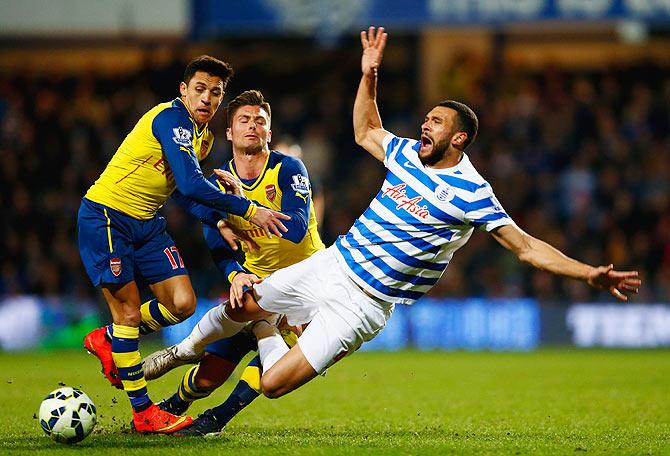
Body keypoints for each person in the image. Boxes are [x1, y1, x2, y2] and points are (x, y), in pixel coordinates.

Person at [143, 27, 641, 402]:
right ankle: (177, 353)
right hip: (332, 264)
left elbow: (527, 247)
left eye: (436, 122)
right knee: (242, 303)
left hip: (364, 305)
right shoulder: (404, 153)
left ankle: (265, 330)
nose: (425, 125)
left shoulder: (472, 191)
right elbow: (365, 129)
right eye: (426, 118)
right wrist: (369, 73)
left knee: (271, 384)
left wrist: (589, 274)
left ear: (459, 138)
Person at [77, 56, 290, 434]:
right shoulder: (170, 119)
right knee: (127, 314)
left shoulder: (203, 138)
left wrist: (218, 219)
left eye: (216, 92)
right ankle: (144, 412)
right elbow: (193, 186)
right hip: (108, 216)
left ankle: (107, 340)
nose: (207, 99)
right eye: (200, 90)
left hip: (147, 224)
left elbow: (182, 194)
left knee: (182, 303)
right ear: (183, 90)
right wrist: (247, 208)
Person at [149, 90, 325, 436]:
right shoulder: (218, 182)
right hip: (254, 283)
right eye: (244, 120)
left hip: (304, 284)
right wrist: (234, 272)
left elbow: (295, 229)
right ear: (228, 132)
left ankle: (216, 418)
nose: (252, 126)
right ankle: (172, 407)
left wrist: (244, 205)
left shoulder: (288, 169)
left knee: (275, 362)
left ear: (269, 133)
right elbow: (216, 238)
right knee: (209, 375)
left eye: (260, 121)